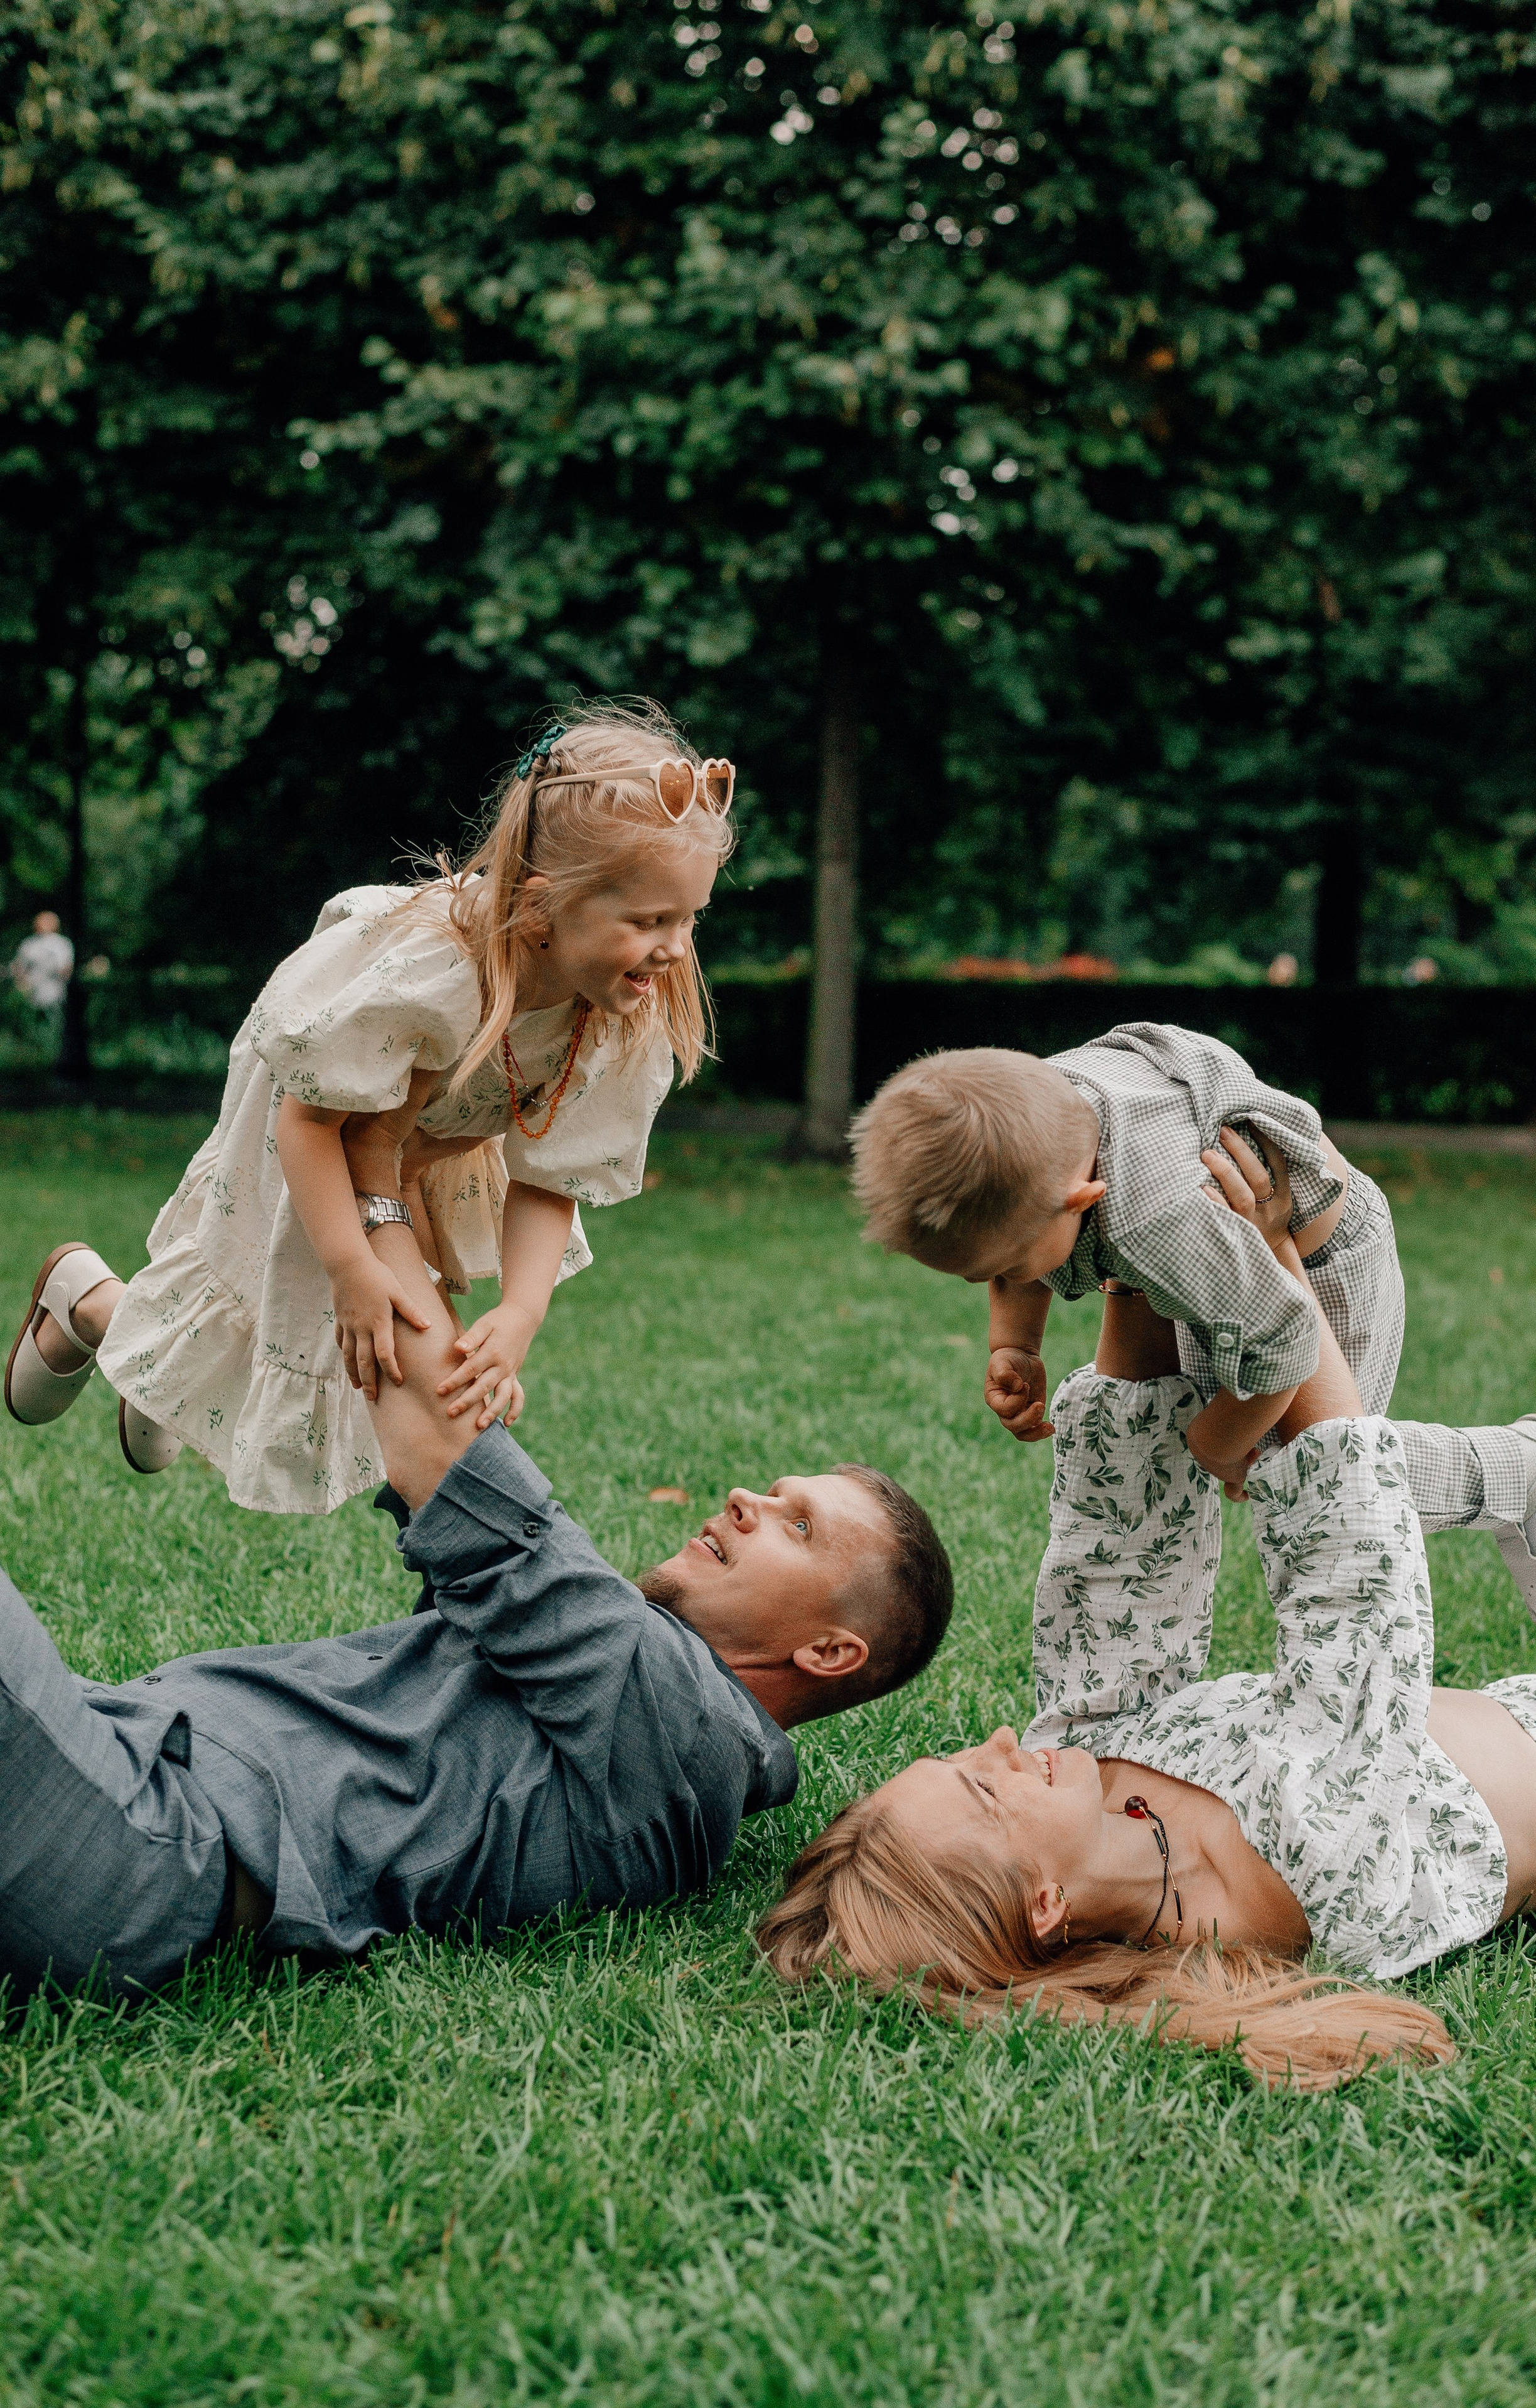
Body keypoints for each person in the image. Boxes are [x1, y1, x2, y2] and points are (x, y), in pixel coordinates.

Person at [759, 1148, 1536, 2090]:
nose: (998, 1743)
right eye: (986, 1790)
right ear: (1046, 1905)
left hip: (1527, 1706)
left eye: (959, 1758)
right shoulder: (1306, 1865)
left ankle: (1505, 1473)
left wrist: (1138, 1243)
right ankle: (1510, 1474)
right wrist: (1270, 1259)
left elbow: (1121, 1541)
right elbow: (1349, 1558)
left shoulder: (1080, 1753)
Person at [0, 1210, 953, 2000]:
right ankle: (113, 1317)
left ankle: (111, 1315)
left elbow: (439, 1437)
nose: (747, 1498)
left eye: (798, 1525)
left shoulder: (683, 1730)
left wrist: (374, 1163)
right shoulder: (610, 1697)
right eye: (775, 1492)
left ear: (830, 1651)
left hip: (145, 1839)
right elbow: (409, 1424)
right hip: (114, 1753)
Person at [5, 701, 738, 1509]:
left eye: (689, 918)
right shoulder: (440, 974)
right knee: (292, 1305)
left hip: (422, 1144)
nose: (675, 947)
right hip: (313, 1117)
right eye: (649, 920)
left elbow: (549, 1179)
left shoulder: (613, 1009)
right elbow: (311, 1120)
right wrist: (351, 1265)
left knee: (385, 1351)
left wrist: (520, 1312)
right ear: (541, 904)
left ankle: (141, 1360)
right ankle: (89, 1305)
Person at [849, 1032, 1536, 1633]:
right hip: (1217, 1266)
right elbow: (1022, 1238)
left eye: (1007, 1268)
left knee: (1321, 1475)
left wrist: (1218, 1441)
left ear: (1081, 1197)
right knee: (1256, 1452)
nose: (1003, 1282)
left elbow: (1284, 1344)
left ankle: (1510, 1470)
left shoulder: (1153, 1220)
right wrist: (1014, 1344)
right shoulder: (1039, 1117)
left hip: (1321, 1261)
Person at [10, 910, 74, 1012]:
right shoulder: (29, 943)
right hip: (30, 995)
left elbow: (66, 969)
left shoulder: (62, 943)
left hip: (54, 994)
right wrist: (22, 986)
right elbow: (19, 967)